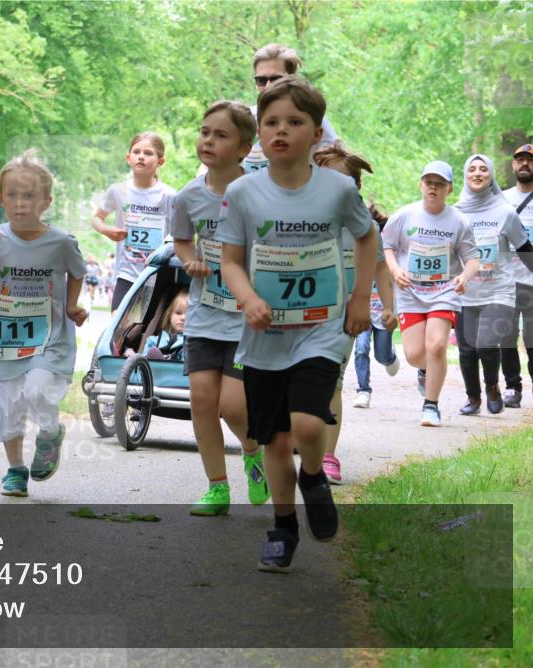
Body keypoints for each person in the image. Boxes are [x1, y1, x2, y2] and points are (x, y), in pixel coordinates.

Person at [216, 78, 377, 572]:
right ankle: (283, 527)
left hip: (321, 327)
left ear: (316, 132)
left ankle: (314, 475)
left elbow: (368, 239)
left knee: (308, 423)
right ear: (259, 133)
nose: (281, 131)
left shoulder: (337, 188)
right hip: (265, 335)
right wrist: (247, 298)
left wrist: (358, 299)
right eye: (271, 123)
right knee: (275, 442)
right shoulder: (243, 192)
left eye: (294, 122)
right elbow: (230, 259)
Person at [0, 149, 88, 497]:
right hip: (4, 341)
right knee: (8, 406)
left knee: (38, 389)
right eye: (12, 195)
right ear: (1, 199)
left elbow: (77, 272)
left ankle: (49, 432)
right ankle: (15, 469)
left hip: (49, 337)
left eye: (28, 195)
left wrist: (72, 305)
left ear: (45, 201)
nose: (20, 203)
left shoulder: (61, 242)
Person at [170, 100, 270, 516]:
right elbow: (181, 239)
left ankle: (253, 453)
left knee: (233, 405)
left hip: (246, 319)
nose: (208, 140)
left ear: (244, 149)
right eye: (205, 132)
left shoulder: (259, 193)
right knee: (201, 401)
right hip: (205, 315)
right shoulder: (187, 197)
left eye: (221, 135)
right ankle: (216, 487)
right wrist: (190, 259)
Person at [312, 142, 396, 485]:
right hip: (298, 314)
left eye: (342, 181)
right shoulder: (299, 219)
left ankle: (328, 457)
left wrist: (388, 307)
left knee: (331, 383)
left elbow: (381, 271)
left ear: (354, 188)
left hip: (343, 318)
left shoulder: (365, 228)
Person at [381, 160, 480, 427]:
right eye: (429, 183)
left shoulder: (459, 220)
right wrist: (394, 270)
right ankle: (427, 369)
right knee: (415, 354)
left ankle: (431, 406)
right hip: (411, 292)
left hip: (444, 292)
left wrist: (465, 276)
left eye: (439, 184)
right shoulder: (404, 215)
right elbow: (386, 245)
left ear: (449, 189)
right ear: (421, 185)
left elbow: (472, 258)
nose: (433, 188)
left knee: (436, 345)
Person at [454, 154, 533, 415]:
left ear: (490, 177)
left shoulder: (505, 212)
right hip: (465, 292)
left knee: (486, 344)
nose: (477, 173)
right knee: (466, 351)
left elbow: (525, 250)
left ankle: (493, 388)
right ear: (465, 175)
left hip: (499, 291)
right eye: (472, 169)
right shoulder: (455, 212)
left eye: (483, 169)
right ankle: (473, 398)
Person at [91, 132, 177, 312]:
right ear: (128, 158)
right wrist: (108, 230)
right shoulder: (118, 190)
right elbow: (97, 219)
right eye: (137, 152)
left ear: (160, 161)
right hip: (127, 272)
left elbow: (180, 233)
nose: (141, 157)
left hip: (157, 272)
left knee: (149, 332)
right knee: (117, 324)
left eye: (148, 153)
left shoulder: (169, 195)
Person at [243, 43, 338, 174]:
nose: (268, 86)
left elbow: (339, 163)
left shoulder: (310, 118)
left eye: (276, 79)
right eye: (261, 80)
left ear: (292, 78)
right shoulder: (244, 118)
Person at [501, 143, 533, 407]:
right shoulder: (501, 199)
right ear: (513, 165)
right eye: (520, 160)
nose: (525, 164)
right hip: (506, 281)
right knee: (506, 335)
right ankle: (512, 387)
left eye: (530, 160)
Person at [143, 289, 187, 362]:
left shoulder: (194, 344)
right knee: (150, 352)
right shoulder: (153, 340)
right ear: (170, 315)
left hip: (179, 371)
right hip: (150, 370)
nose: (183, 318)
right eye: (178, 313)